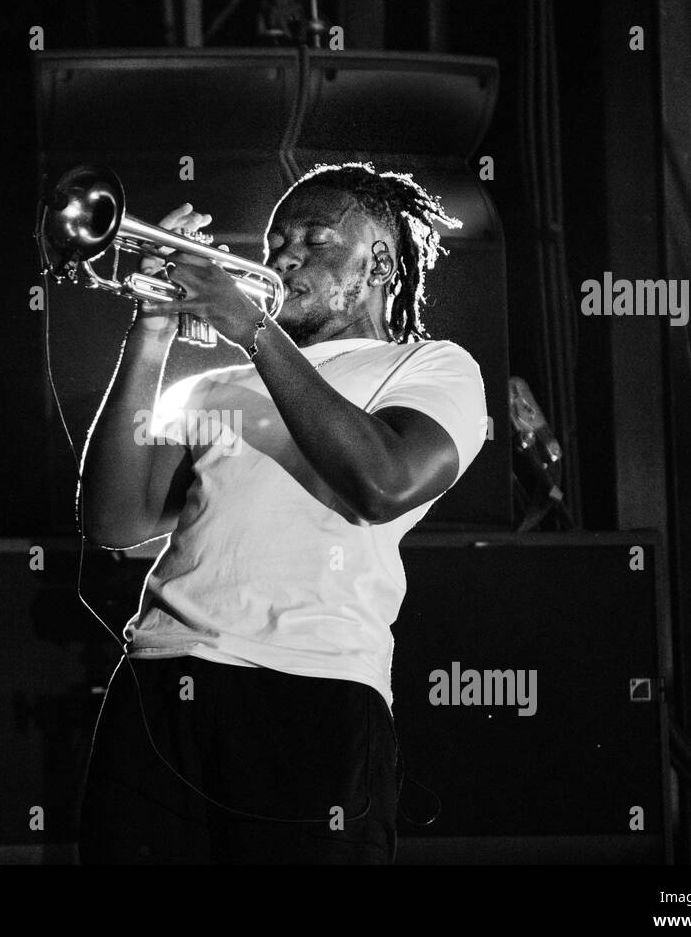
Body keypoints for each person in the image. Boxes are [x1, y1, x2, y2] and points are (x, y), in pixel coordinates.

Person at [76, 161, 488, 863]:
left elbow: (382, 481)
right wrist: (150, 330)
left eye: (315, 238)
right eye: (276, 243)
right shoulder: (218, 384)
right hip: (156, 685)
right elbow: (115, 517)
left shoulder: (432, 368)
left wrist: (253, 328)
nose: (285, 255)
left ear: (380, 262)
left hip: (311, 691)